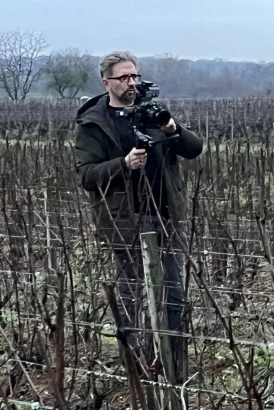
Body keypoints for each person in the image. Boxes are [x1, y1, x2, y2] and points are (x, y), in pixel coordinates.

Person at [73, 51, 203, 380]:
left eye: (134, 76)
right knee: (131, 295)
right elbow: (86, 175)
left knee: (174, 294)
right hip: (126, 220)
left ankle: (173, 365)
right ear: (107, 83)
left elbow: (194, 148)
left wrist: (171, 126)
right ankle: (134, 365)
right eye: (123, 78)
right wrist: (124, 165)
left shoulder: (152, 112)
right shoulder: (94, 123)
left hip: (165, 215)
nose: (131, 83)